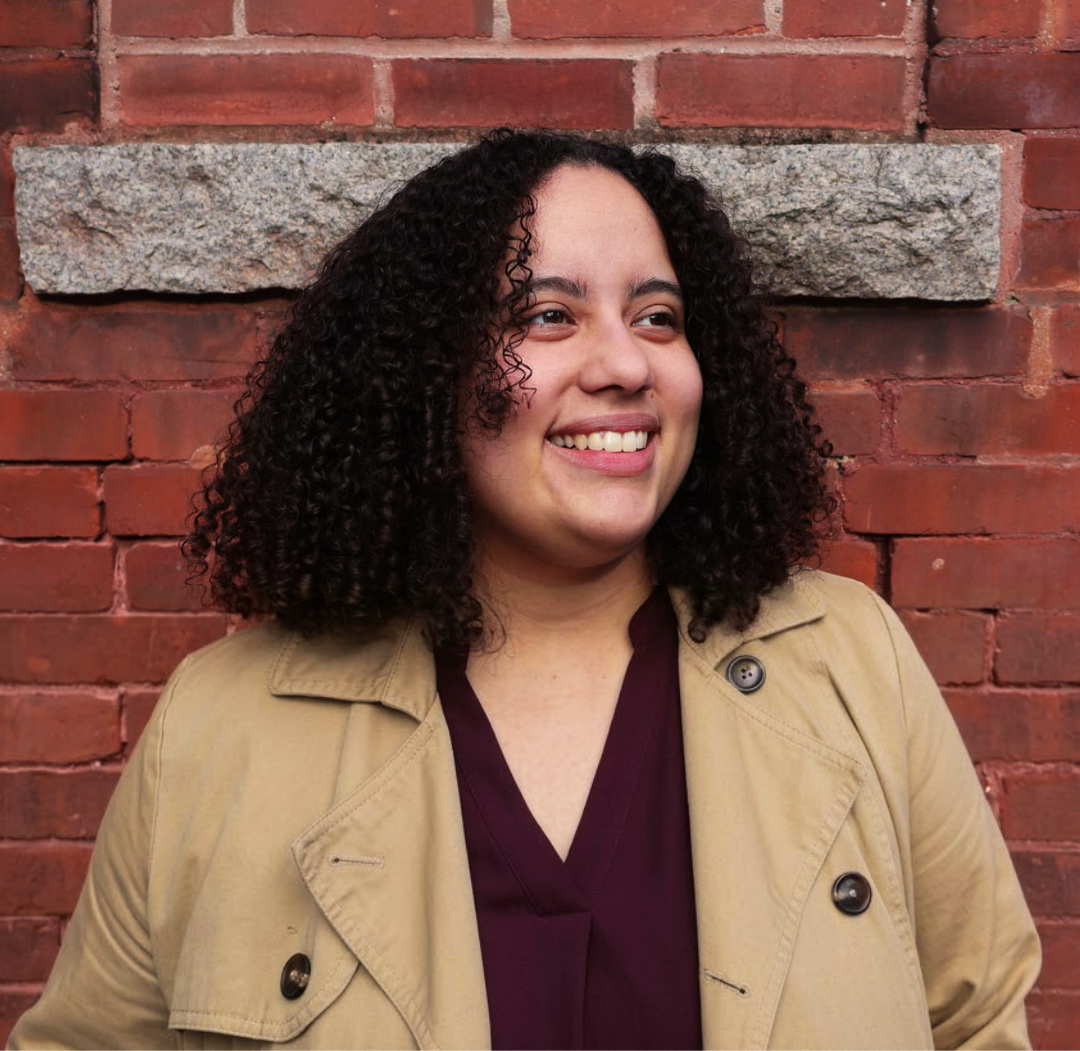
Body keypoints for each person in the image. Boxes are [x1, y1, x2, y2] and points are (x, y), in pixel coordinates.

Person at [10, 130, 1039, 1050]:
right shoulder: (224, 727)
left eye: (658, 316)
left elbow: (981, 1019)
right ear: (426, 375)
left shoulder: (852, 665)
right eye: (548, 316)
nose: (625, 363)